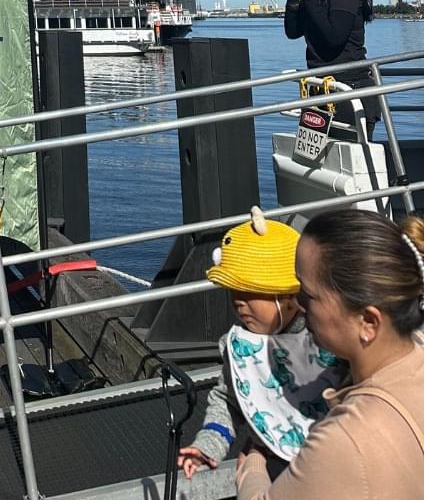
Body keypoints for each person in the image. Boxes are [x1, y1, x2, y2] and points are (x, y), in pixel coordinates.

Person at [236, 208, 424, 498]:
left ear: (368, 322)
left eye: (307, 295)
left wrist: (253, 463)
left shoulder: (344, 439)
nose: (298, 306)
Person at [179, 207, 344, 480]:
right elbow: (230, 400)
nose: (239, 301)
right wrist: (208, 445)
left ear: (290, 296)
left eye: (251, 292)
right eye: (234, 291)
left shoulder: (327, 338)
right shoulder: (242, 347)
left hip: (333, 461)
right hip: (274, 463)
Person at [284, 0, 376, 126]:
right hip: (319, 88)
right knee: (313, 158)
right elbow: (292, 31)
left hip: (348, 90)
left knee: (350, 155)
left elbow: (334, 38)